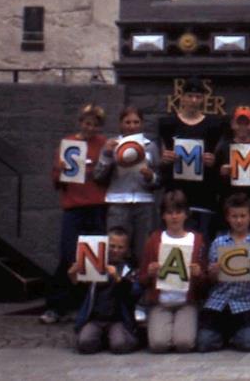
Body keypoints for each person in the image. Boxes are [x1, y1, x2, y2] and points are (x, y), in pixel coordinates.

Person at [42, 103, 109, 325]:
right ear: (80, 122)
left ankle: (88, 305)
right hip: (73, 207)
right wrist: (60, 170)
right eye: (87, 123)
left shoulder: (103, 144)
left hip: (97, 206)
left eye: (95, 125)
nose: (90, 128)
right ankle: (56, 306)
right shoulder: (68, 144)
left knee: (94, 257)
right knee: (69, 256)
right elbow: (56, 182)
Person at [196, 193, 250, 352]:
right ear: (227, 218)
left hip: (246, 301)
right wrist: (213, 271)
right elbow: (211, 281)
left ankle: (236, 333)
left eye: (243, 216)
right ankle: (225, 333)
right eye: (234, 216)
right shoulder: (218, 242)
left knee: (248, 344)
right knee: (204, 344)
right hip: (219, 300)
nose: (239, 220)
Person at [157, 77, 226, 240]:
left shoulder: (214, 126)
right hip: (175, 192)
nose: (194, 100)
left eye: (198, 97)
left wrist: (213, 162)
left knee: (202, 243)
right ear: (182, 97)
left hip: (204, 194)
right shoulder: (168, 124)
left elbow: (221, 160)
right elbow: (158, 161)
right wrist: (164, 159)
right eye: (189, 96)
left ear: (203, 99)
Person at [139, 190, 207, 353]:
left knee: (184, 344)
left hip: (186, 302)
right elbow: (142, 278)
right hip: (161, 302)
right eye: (169, 213)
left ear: (186, 215)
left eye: (178, 212)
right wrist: (150, 273)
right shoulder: (155, 239)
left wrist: (199, 274)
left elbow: (206, 281)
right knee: (158, 345)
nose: (174, 217)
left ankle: (181, 328)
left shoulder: (197, 240)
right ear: (163, 216)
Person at [94, 106, 160, 263]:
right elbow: (98, 176)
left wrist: (151, 177)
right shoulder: (111, 145)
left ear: (142, 123)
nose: (132, 126)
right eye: (127, 122)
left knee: (143, 251)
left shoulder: (150, 146)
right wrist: (107, 155)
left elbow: (159, 179)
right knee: (115, 251)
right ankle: (113, 283)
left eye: (136, 122)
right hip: (118, 203)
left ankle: (138, 285)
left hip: (144, 204)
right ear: (120, 124)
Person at [70, 226, 140, 354]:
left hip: (118, 319)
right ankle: (102, 338)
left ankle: (126, 337)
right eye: (112, 246)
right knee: (84, 344)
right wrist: (73, 275)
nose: (115, 250)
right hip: (96, 318)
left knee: (120, 345)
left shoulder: (129, 270)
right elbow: (80, 292)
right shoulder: (93, 265)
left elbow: (133, 294)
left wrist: (118, 278)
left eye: (120, 247)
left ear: (127, 250)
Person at [216, 105, 250, 234]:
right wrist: (221, 173)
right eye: (239, 123)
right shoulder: (223, 149)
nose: (243, 127)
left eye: (246, 123)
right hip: (228, 213)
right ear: (233, 124)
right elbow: (212, 184)